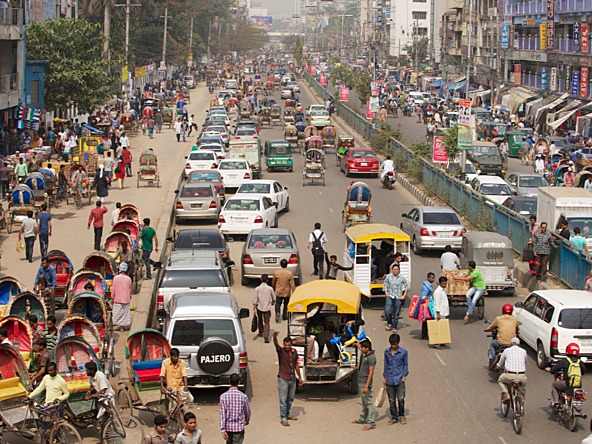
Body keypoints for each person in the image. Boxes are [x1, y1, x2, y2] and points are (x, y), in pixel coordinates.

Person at [272, 331, 303, 427]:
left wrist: (300, 377)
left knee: (290, 399)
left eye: (288, 345)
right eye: (285, 345)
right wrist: (274, 337)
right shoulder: (281, 351)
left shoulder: (294, 352)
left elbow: (296, 365)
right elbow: (276, 344)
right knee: (283, 400)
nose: (287, 347)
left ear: (291, 345)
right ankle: (283, 418)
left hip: (292, 378)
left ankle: (287, 414)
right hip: (283, 379)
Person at [546, 342, 586, 408]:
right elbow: (583, 371)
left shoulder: (565, 361)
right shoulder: (580, 362)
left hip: (567, 383)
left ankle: (556, 403)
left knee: (554, 385)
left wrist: (550, 369)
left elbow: (554, 369)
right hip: (578, 384)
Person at [383, 333, 409, 425]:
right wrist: (385, 377)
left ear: (398, 343)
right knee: (391, 400)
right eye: (392, 344)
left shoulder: (404, 352)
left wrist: (404, 375)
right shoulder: (386, 352)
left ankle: (401, 415)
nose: (393, 346)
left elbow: (405, 364)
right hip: (389, 379)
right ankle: (394, 417)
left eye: (395, 344)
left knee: (401, 398)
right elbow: (386, 365)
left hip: (399, 379)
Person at [351, 339, 376, 431]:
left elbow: (371, 373)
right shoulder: (366, 353)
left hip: (365, 382)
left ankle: (371, 423)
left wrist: (366, 386)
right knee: (364, 402)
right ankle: (362, 419)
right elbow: (359, 347)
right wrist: (356, 344)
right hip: (361, 381)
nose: (361, 349)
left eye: (362, 348)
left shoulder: (371, 358)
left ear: (367, 348)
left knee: (369, 403)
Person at [219, 373, 251, 443]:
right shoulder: (243, 396)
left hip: (228, 428)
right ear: (239, 382)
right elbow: (247, 411)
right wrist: (247, 420)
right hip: (239, 428)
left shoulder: (223, 397)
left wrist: (223, 429)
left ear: (229, 381)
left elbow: (222, 415)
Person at [496, 337, 527, 403]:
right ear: (519, 344)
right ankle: (521, 397)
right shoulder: (524, 351)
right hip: (522, 376)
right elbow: (525, 361)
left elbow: (500, 363)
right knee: (522, 387)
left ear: (511, 344)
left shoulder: (506, 351)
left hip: (509, 375)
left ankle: (507, 394)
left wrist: (498, 367)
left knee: (500, 380)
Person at [383, 264, 410, 332]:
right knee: (387, 311)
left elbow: (407, 286)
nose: (395, 271)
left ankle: (394, 326)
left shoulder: (401, 277)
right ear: (392, 270)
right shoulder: (388, 277)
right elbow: (385, 285)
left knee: (396, 312)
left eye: (396, 269)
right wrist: (386, 293)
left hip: (398, 297)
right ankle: (389, 323)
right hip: (390, 296)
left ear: (399, 270)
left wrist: (404, 295)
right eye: (394, 269)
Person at [253, 274, 275, 342]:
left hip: (259, 307)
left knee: (260, 320)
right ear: (267, 280)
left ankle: (261, 332)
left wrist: (254, 309)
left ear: (261, 279)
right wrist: (272, 302)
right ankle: (266, 335)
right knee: (267, 322)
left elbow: (255, 300)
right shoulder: (270, 289)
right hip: (267, 308)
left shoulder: (257, 289)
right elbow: (274, 298)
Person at [272, 259, 295, 323]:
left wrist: (273, 288)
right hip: (286, 292)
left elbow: (273, 281)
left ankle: (277, 312)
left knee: (278, 303)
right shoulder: (289, 273)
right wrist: (294, 291)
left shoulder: (276, 272)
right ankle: (284, 315)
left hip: (279, 291)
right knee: (286, 304)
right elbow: (292, 283)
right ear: (286, 265)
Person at [112, 262, 132, 331]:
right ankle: (122, 327)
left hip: (117, 298)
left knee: (117, 313)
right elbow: (129, 289)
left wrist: (112, 296)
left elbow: (113, 288)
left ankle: (117, 326)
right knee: (124, 314)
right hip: (126, 298)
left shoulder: (116, 278)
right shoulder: (128, 279)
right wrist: (129, 296)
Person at [432, 277, 450, 349]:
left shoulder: (443, 290)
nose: (444, 284)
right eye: (443, 283)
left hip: (443, 312)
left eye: (445, 283)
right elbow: (437, 303)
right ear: (439, 283)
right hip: (440, 313)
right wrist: (438, 313)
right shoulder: (438, 291)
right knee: (438, 328)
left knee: (442, 328)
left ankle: (441, 341)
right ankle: (437, 344)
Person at [419, 272, 435, 340]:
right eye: (432, 278)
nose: (433, 279)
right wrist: (428, 299)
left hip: (427, 304)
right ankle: (425, 335)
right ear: (428, 278)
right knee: (427, 320)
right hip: (426, 305)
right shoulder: (426, 286)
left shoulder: (428, 285)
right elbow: (423, 297)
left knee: (426, 320)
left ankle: (425, 334)